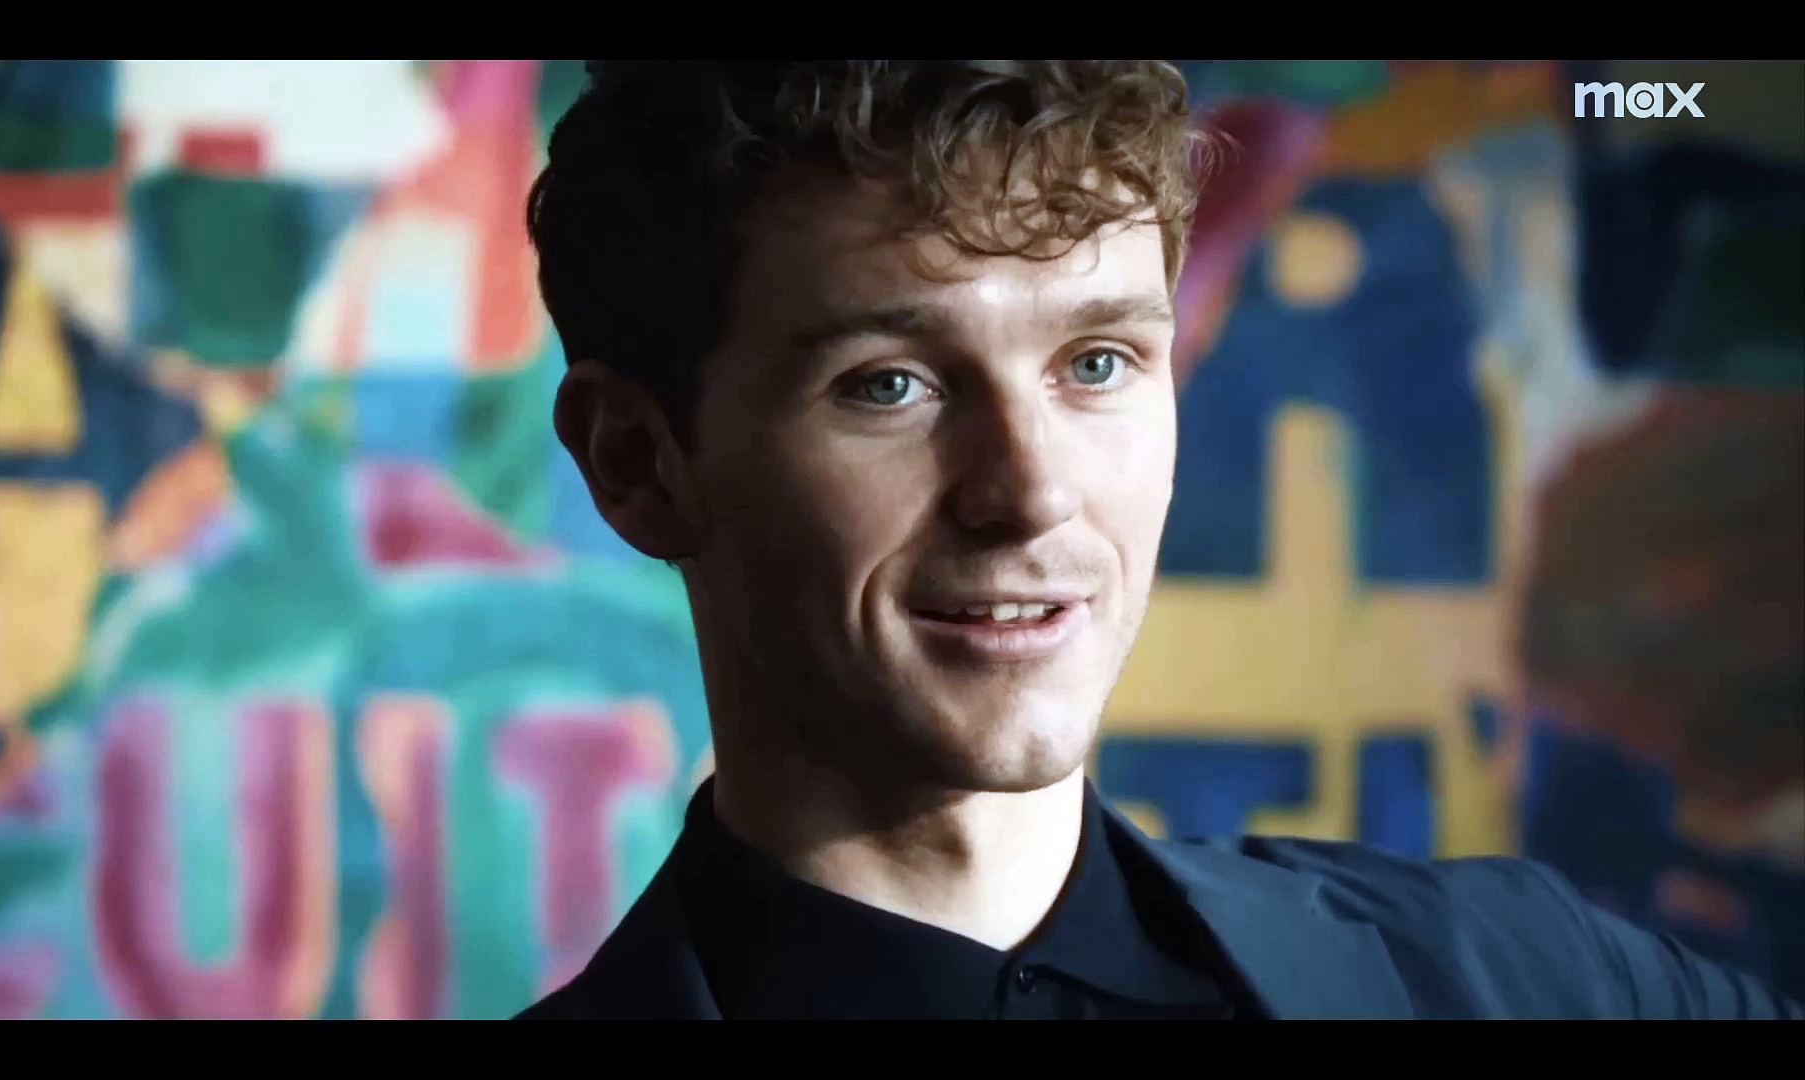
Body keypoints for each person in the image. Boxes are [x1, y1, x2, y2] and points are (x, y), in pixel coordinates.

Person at [515, 60, 1802, 1020]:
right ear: (637, 462)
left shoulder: (1517, 979)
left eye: (1096, 362)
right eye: (889, 385)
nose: (1032, 494)